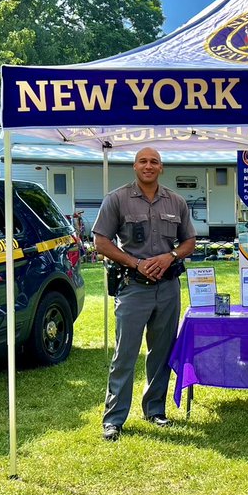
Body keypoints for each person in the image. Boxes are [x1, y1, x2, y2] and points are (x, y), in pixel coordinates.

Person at [92, 147, 196, 441]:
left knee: (161, 352)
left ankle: (155, 410)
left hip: (167, 288)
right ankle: (113, 420)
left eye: (154, 162)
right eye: (143, 161)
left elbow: (190, 241)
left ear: (161, 168)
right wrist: (136, 262)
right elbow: (101, 241)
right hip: (133, 287)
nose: (148, 166)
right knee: (125, 354)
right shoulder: (117, 199)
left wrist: (170, 257)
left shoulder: (176, 202)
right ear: (135, 167)